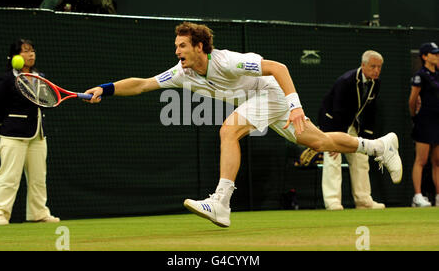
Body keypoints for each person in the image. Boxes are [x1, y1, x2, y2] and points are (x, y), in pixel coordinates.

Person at [84, 22, 402, 227]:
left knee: (228, 129)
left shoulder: (226, 61)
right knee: (319, 142)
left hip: (270, 93)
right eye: (176, 45)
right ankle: (378, 146)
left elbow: (278, 67)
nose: (176, 50)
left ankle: (221, 202)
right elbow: (141, 84)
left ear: (199, 47)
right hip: (261, 104)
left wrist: (295, 106)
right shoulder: (182, 73)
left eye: (182, 45)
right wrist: (106, 89)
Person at [0, 39, 60, 225]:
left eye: (32, 51)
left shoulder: (40, 77)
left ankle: (39, 213)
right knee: (9, 177)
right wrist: (3, 126)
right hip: (13, 135)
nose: (31, 55)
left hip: (38, 134)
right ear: (14, 57)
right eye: (26, 51)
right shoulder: (6, 80)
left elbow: (47, 102)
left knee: (38, 177)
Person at [318, 50, 386, 210]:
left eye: (379, 67)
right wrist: (335, 141)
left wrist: (365, 137)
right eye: (373, 66)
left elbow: (370, 111)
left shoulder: (376, 83)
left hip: (351, 124)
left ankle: (363, 200)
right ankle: (332, 201)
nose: (376, 70)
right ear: (363, 66)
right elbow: (337, 110)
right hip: (332, 123)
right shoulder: (346, 81)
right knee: (333, 158)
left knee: (361, 158)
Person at [408, 42, 439, 207]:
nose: (437, 56)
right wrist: (415, 116)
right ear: (425, 57)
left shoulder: (438, 74)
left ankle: (438, 197)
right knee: (421, 159)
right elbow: (412, 100)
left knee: (438, 161)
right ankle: (417, 196)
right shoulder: (420, 75)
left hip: (437, 122)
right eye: (433, 54)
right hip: (425, 121)